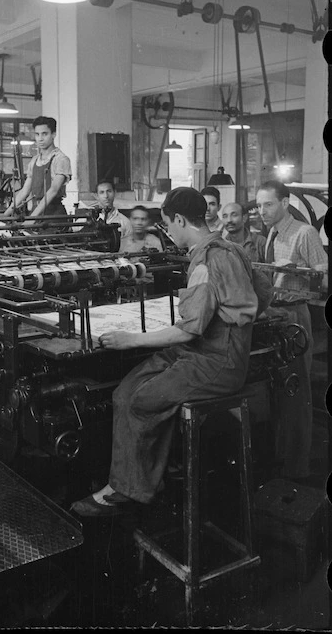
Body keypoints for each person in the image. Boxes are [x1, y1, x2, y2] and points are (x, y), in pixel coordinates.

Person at [72, 187, 268, 517]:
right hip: (197, 351)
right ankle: (142, 476)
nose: (167, 232)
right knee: (124, 393)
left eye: (167, 225)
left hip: (218, 362)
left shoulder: (209, 260)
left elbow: (189, 329)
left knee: (141, 401)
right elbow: (264, 290)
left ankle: (130, 489)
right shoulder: (229, 248)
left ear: (179, 219)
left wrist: (129, 339)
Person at [256, 180, 327, 480]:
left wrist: (294, 270)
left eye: (268, 204)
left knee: (296, 394)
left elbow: (323, 277)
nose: (261, 211)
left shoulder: (304, 232)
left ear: (285, 203)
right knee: (277, 391)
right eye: (259, 205)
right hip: (274, 315)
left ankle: (297, 470)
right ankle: (280, 461)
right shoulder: (272, 232)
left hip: (295, 317)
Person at [3, 116, 71, 221]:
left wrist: (32, 219)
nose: (40, 138)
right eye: (37, 134)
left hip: (54, 216)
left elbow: (53, 191)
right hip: (36, 212)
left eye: (45, 134)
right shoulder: (34, 161)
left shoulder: (60, 159)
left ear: (53, 134)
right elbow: (24, 192)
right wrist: (4, 215)